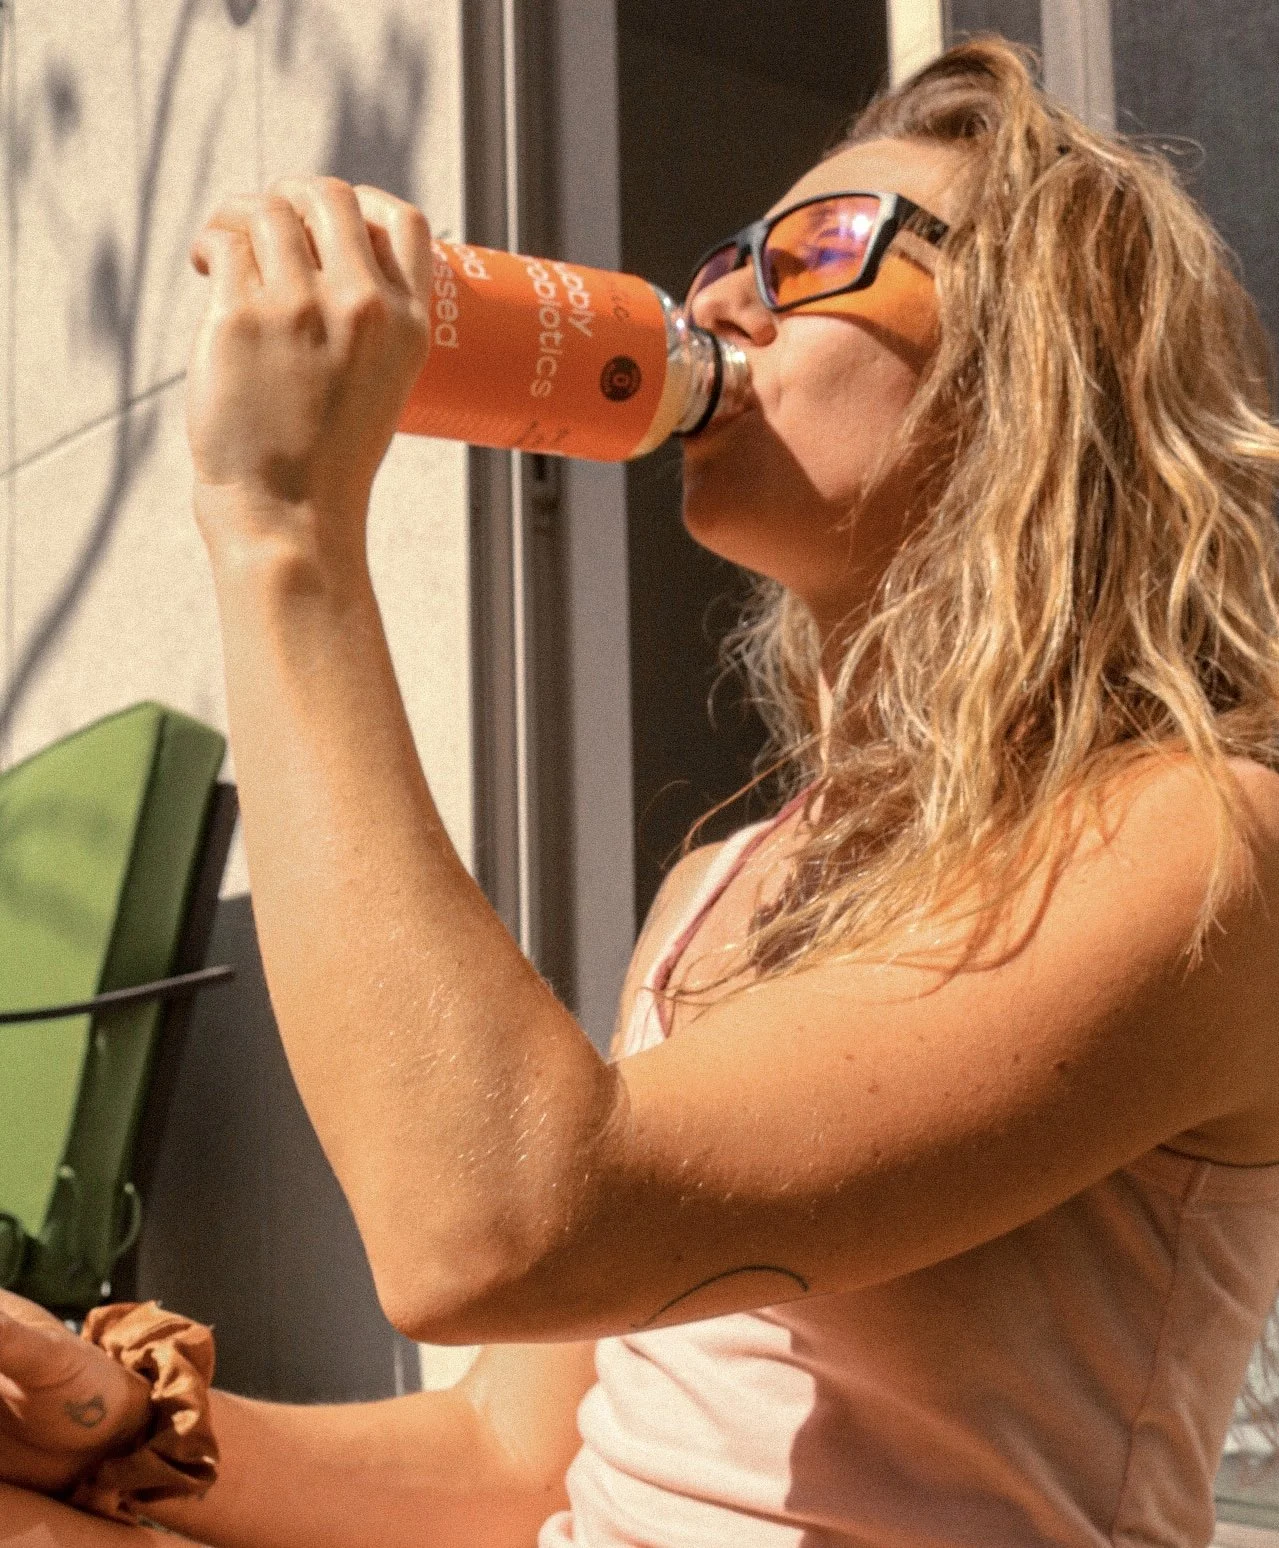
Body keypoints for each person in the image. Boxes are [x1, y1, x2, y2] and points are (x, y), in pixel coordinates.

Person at [4, 34, 1279, 1548]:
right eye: (720, 255)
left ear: (1046, 357)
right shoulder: (727, 881)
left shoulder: (1201, 834)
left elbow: (499, 1225)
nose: (717, 298)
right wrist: (111, 1419)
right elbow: (508, 1460)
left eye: (814, 249)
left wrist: (282, 530)